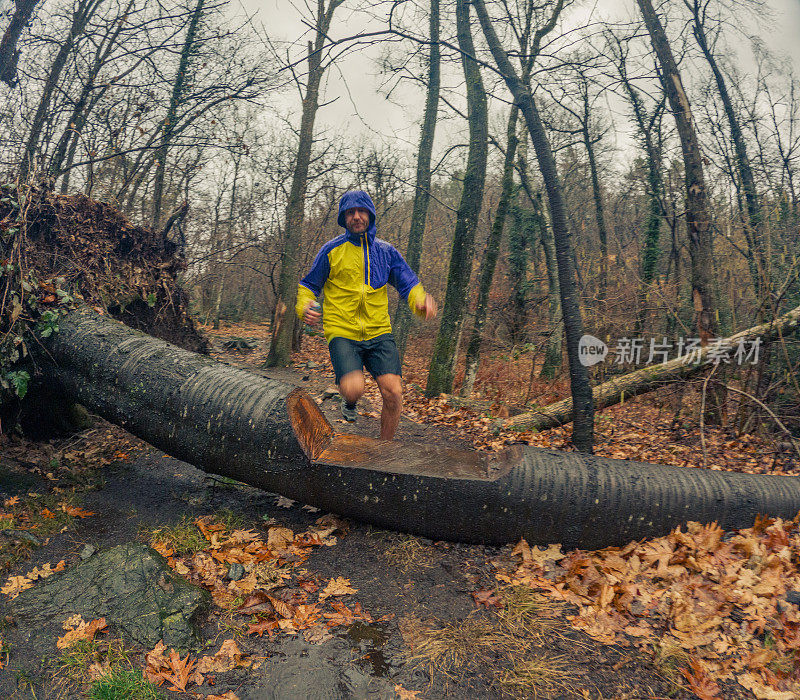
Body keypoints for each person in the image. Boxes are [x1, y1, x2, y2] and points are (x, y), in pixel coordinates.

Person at [295, 190, 437, 440]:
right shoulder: (331, 250)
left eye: (362, 212)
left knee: (393, 391)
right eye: (351, 213)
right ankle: (349, 401)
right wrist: (304, 306)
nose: (357, 217)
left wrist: (420, 302)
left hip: (378, 331)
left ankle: (384, 449)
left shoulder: (386, 252)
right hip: (343, 331)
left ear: (370, 215)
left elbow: (408, 282)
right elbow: (308, 286)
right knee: (353, 389)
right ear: (343, 218)